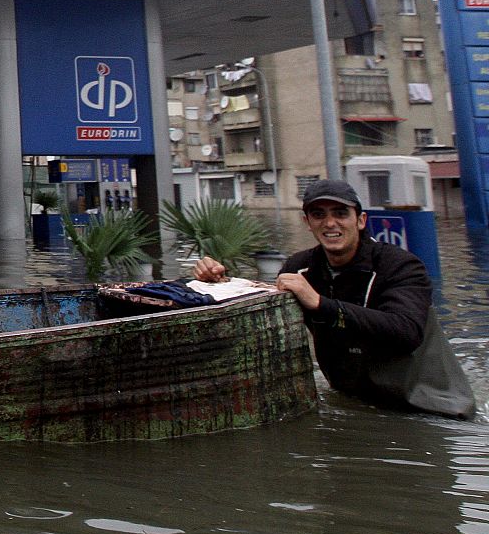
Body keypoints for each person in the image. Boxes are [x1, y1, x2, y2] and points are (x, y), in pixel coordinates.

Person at [195, 178, 474, 418]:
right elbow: (265, 310)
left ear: (360, 220)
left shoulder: (400, 265)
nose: (330, 223)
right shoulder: (299, 267)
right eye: (318, 214)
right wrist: (219, 284)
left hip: (430, 409)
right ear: (307, 223)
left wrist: (320, 304)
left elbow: (406, 331)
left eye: (341, 213)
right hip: (355, 403)